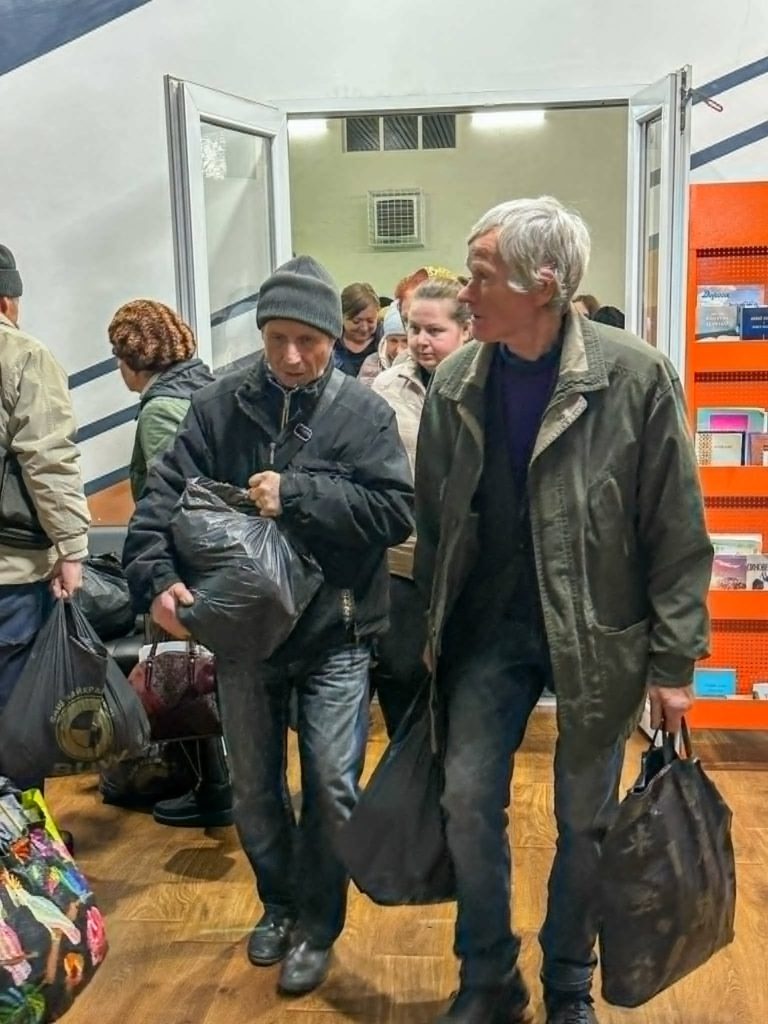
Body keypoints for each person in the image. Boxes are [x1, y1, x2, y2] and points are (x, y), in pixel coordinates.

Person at [413, 197, 713, 1024]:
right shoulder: (454, 382)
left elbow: (677, 531)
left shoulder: (636, 376)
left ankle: (569, 980)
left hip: (598, 636)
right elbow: (435, 526)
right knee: (467, 800)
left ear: (542, 283)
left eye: (479, 277)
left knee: (586, 821)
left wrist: (674, 664)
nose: (464, 293)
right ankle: (487, 978)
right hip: (485, 633)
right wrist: (426, 639)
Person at [122, 256, 413, 997]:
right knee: (253, 789)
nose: (292, 356)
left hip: (336, 637)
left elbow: (394, 513)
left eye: (309, 341)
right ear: (260, 333)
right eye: (278, 337)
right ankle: (278, 906)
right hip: (243, 637)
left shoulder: (363, 412)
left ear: (329, 338)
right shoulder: (219, 407)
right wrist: (156, 583)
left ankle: (319, 924)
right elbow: (157, 510)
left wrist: (299, 493)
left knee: (332, 785)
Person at [107, 299, 229, 829]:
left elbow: (172, 497)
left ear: (132, 358)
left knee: (181, 675)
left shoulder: (161, 408)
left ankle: (208, 788)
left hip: (181, 566)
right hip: (218, 562)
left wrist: (164, 572)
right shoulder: (205, 388)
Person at [0, 244, 90, 787]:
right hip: (9, 573)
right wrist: (72, 549)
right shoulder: (22, 356)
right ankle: (23, 855)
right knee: (14, 717)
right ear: (9, 302)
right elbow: (48, 458)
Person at [371, 279, 471, 735]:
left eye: (435, 330)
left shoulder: (484, 383)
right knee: (402, 673)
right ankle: (409, 785)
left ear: (465, 331)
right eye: (414, 329)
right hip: (403, 558)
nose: (421, 341)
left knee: (464, 684)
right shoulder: (386, 387)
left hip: (469, 563)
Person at [333, 282, 381, 377]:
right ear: (341, 317)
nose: (364, 328)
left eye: (370, 321)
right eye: (356, 321)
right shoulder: (330, 343)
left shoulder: (385, 342)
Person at [358, 302, 408, 386]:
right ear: (385, 340)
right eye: (393, 341)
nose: (399, 350)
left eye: (405, 341)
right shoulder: (372, 364)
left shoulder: (423, 368)